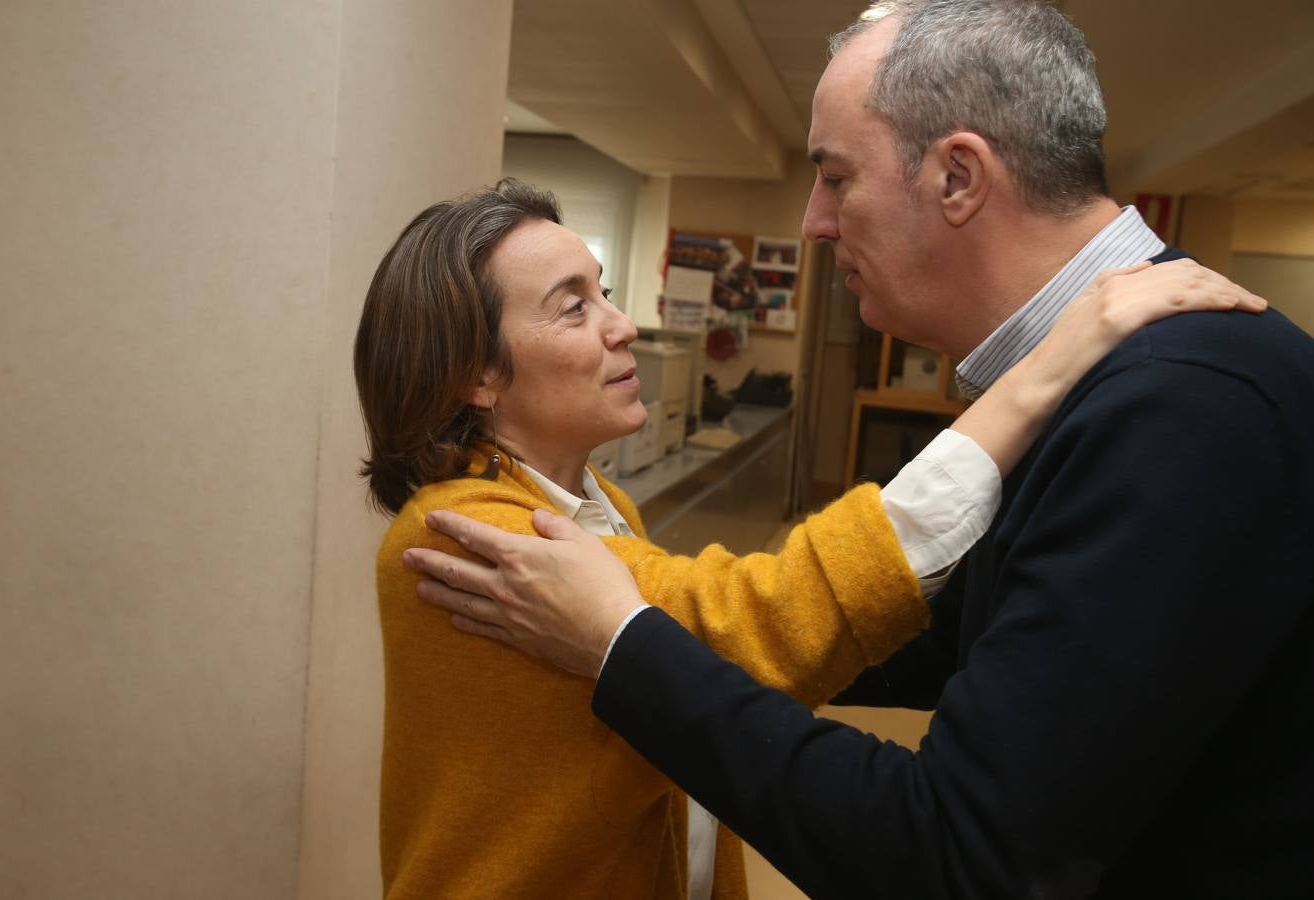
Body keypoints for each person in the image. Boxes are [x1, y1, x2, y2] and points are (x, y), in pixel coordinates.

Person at [403, 2, 1314, 898]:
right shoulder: (1133, 377)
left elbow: (955, 856)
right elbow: (957, 635)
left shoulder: (1178, 401)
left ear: (959, 178)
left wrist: (626, 645)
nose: (814, 222)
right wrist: (731, 633)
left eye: (836, 177)